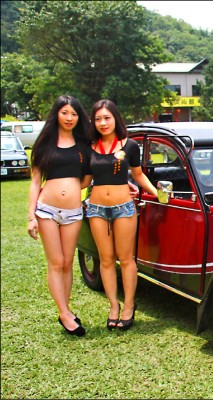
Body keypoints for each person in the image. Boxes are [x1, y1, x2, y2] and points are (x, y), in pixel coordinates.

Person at [82, 99, 158, 331]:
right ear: (93, 122)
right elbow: (84, 180)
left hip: (124, 207)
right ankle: (113, 306)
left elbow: (138, 175)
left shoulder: (130, 146)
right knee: (105, 260)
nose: (103, 123)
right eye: (98, 119)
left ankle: (129, 305)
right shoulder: (89, 147)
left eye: (107, 118)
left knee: (126, 260)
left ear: (116, 118)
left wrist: (158, 194)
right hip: (96, 209)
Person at [27, 95, 91, 337]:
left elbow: (87, 177)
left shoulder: (83, 145)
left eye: (74, 114)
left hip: (74, 211)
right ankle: (65, 314)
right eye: (65, 113)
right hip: (47, 211)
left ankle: (66, 309)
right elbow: (35, 183)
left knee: (67, 263)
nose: (69, 118)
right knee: (55, 262)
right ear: (57, 114)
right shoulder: (44, 144)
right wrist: (31, 215)